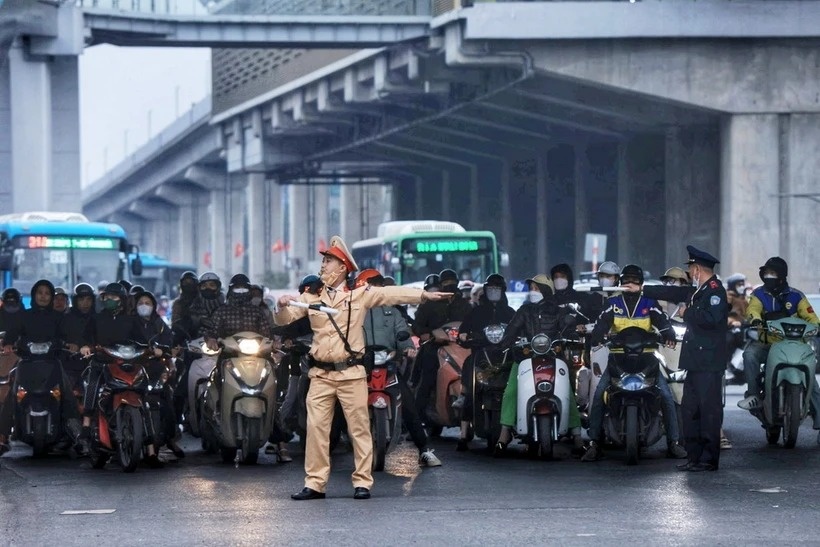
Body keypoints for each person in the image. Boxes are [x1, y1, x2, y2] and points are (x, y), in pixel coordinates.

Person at [275, 236, 450, 501]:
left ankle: (363, 482)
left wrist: (423, 295)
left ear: (342, 268)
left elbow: (390, 293)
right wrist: (281, 305)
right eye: (323, 261)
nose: (323, 267)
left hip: (351, 372)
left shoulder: (360, 295)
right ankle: (315, 483)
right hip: (321, 374)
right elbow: (286, 318)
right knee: (317, 430)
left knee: (359, 429)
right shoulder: (311, 297)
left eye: (328, 261)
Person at [582, 265, 687, 462]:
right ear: (620, 283)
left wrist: (669, 335)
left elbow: (663, 322)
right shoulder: (612, 303)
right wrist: (597, 337)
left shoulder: (650, 302)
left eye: (634, 281)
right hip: (617, 358)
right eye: (626, 280)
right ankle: (594, 443)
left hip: (647, 358)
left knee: (666, 395)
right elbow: (601, 324)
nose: (630, 284)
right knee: (598, 396)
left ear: (641, 284)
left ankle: (673, 443)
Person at [356, 269, 442, 467]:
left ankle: (424, 450)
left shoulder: (392, 311)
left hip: (387, 364)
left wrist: (409, 348)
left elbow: (402, 332)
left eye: (377, 284)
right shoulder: (352, 310)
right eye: (369, 284)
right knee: (338, 405)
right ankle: (327, 451)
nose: (374, 289)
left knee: (408, 403)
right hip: (359, 366)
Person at [492, 274, 585, 456]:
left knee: (567, 393)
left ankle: (577, 436)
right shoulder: (525, 310)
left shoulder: (559, 312)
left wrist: (572, 337)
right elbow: (511, 330)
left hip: (554, 357)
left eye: (536, 288)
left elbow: (569, 329)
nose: (533, 292)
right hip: (525, 358)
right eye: (531, 288)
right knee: (511, 391)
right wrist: (503, 344)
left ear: (546, 291)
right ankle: (504, 435)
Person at [77, 283, 165, 467]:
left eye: (114, 298)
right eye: (107, 297)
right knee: (92, 382)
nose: (110, 300)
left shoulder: (131, 320)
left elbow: (143, 341)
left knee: (145, 397)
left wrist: (153, 349)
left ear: (123, 301)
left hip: (128, 364)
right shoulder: (96, 319)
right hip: (103, 362)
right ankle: (86, 425)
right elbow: (85, 338)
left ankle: (150, 452)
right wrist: (85, 346)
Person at [0, 280, 83, 454]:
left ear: (51, 296)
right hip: (27, 362)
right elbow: (14, 332)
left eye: (47, 293)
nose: (43, 296)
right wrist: (8, 343)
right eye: (40, 292)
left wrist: (72, 344)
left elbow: (67, 335)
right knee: (12, 394)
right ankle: (3, 436)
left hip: (53, 362)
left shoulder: (59, 317)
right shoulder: (25, 315)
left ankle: (78, 435)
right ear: (33, 295)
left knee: (67, 394)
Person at [738, 257, 820, 426]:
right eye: (766, 273)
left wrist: (816, 325)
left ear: (782, 276)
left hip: (796, 345)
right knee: (749, 355)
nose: (768, 276)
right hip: (767, 344)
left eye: (773, 273)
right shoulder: (758, 294)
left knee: (812, 380)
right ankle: (753, 395)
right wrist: (755, 319)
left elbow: (811, 317)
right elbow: (753, 309)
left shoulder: (797, 296)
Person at [453, 274, 515, 451]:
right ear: (485, 291)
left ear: (503, 291)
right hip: (480, 355)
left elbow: (519, 328)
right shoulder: (476, 312)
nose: (494, 292)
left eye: (497, 289)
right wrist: (464, 336)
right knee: (470, 388)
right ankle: (464, 432)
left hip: (505, 356)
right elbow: (463, 332)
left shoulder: (510, 312)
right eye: (491, 289)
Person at [411, 269, 472, 423]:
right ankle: (418, 418)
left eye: (452, 282)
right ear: (440, 285)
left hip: (460, 347)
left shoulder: (464, 305)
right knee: (427, 379)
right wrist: (427, 334)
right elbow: (418, 325)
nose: (450, 286)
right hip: (435, 347)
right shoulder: (431, 304)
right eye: (446, 283)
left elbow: (474, 323)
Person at [133, 290, 183, 458]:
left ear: (154, 306)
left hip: (156, 369)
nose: (144, 306)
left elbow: (169, 339)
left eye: (148, 303)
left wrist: (164, 350)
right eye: (141, 303)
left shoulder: (159, 323)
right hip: (135, 368)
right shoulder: (130, 322)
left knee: (167, 399)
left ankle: (170, 436)